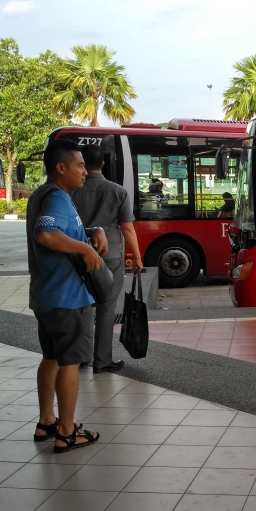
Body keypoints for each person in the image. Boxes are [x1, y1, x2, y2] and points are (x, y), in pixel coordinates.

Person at [27, 139, 102, 453]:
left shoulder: (44, 195)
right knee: (70, 362)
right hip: (66, 297)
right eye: (80, 165)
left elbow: (61, 230)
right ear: (61, 168)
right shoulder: (57, 197)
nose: (85, 171)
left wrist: (91, 232)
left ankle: (47, 421)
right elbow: (45, 232)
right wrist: (85, 248)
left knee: (52, 357)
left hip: (46, 296)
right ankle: (67, 431)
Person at [71, 144, 143, 374]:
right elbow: (128, 229)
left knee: (81, 306)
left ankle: (80, 356)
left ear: (82, 163)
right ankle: (102, 360)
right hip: (109, 257)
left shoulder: (70, 190)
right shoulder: (117, 191)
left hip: (77, 256)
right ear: (102, 163)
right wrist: (137, 258)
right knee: (106, 308)